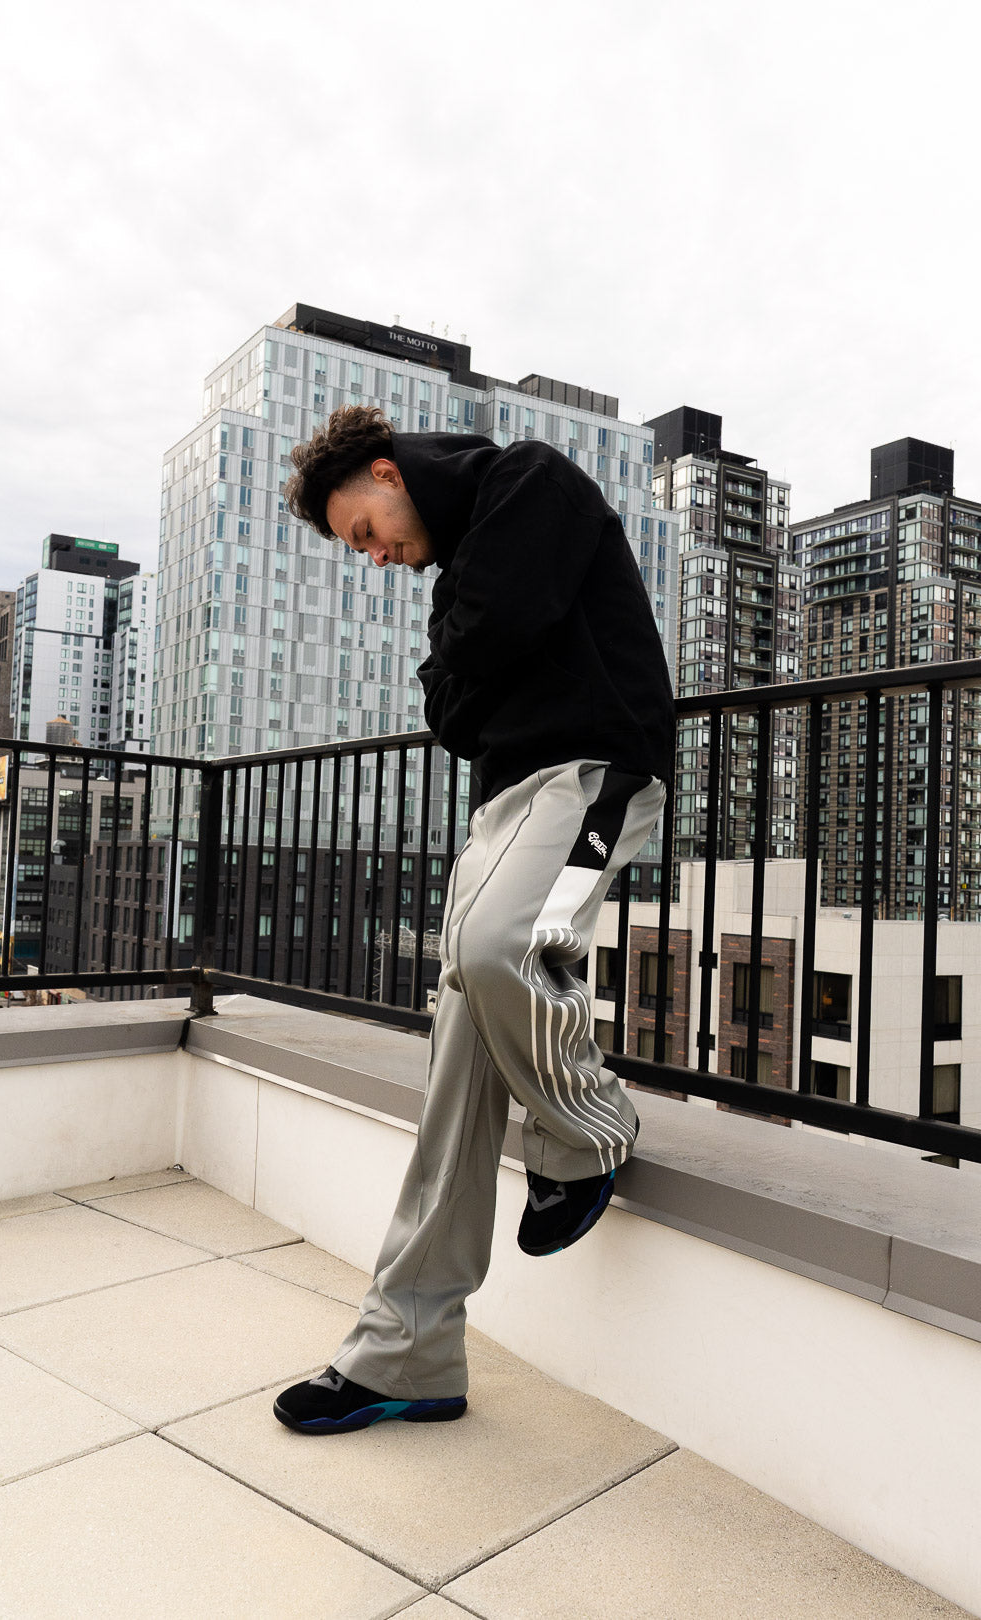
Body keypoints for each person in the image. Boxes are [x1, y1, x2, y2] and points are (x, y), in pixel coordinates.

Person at [273, 404, 675, 1434]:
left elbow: (494, 636)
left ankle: (587, 1128)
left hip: (595, 778)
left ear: (386, 471)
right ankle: (403, 1348)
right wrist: (468, 653)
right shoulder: (461, 571)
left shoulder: (529, 480)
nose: (373, 558)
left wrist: (467, 657)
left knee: (507, 951)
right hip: (505, 805)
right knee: (454, 1073)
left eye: (363, 531)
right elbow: (453, 708)